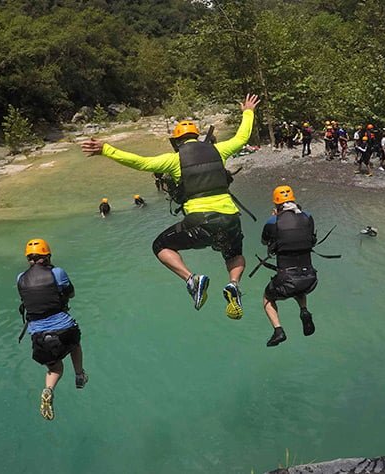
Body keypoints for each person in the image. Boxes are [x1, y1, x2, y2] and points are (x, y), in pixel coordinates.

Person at [81, 94, 260, 319]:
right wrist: (248, 111)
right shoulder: (220, 150)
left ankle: (191, 279)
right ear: (197, 136)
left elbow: (139, 162)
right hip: (231, 218)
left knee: (160, 246)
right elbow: (242, 137)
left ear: (177, 142)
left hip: (200, 220)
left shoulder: (172, 160)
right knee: (233, 254)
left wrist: (106, 149)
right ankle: (233, 284)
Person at [17, 238, 87, 421]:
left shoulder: (20, 278)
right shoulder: (57, 272)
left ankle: (48, 389)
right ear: (47, 256)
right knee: (75, 344)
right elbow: (70, 293)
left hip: (39, 335)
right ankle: (79, 375)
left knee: (55, 368)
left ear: (28, 259)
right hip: (64, 328)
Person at [260, 186, 317, 347]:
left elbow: (264, 241)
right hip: (310, 278)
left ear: (276, 204)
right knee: (299, 287)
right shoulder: (308, 217)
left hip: (286, 278)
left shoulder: (273, 221)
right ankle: (304, 310)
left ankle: (278, 330)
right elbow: (311, 237)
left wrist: (275, 219)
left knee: (267, 297)